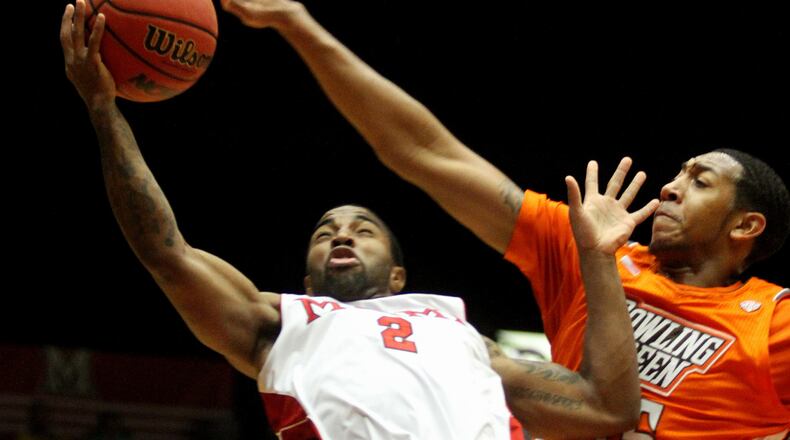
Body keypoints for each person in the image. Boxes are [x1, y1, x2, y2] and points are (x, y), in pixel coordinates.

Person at [60, 0, 651, 438]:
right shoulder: (280, 323)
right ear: (310, 278)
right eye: (325, 232)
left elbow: (607, 408)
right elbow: (166, 250)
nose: (342, 232)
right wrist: (104, 109)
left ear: (399, 277)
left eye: (363, 229)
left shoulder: (463, 335)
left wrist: (597, 259)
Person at [218, 0, 790, 438]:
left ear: (746, 226)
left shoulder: (773, 320)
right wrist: (302, 27)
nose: (669, 185)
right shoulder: (590, 252)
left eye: (699, 181)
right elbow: (426, 154)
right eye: (679, 172)